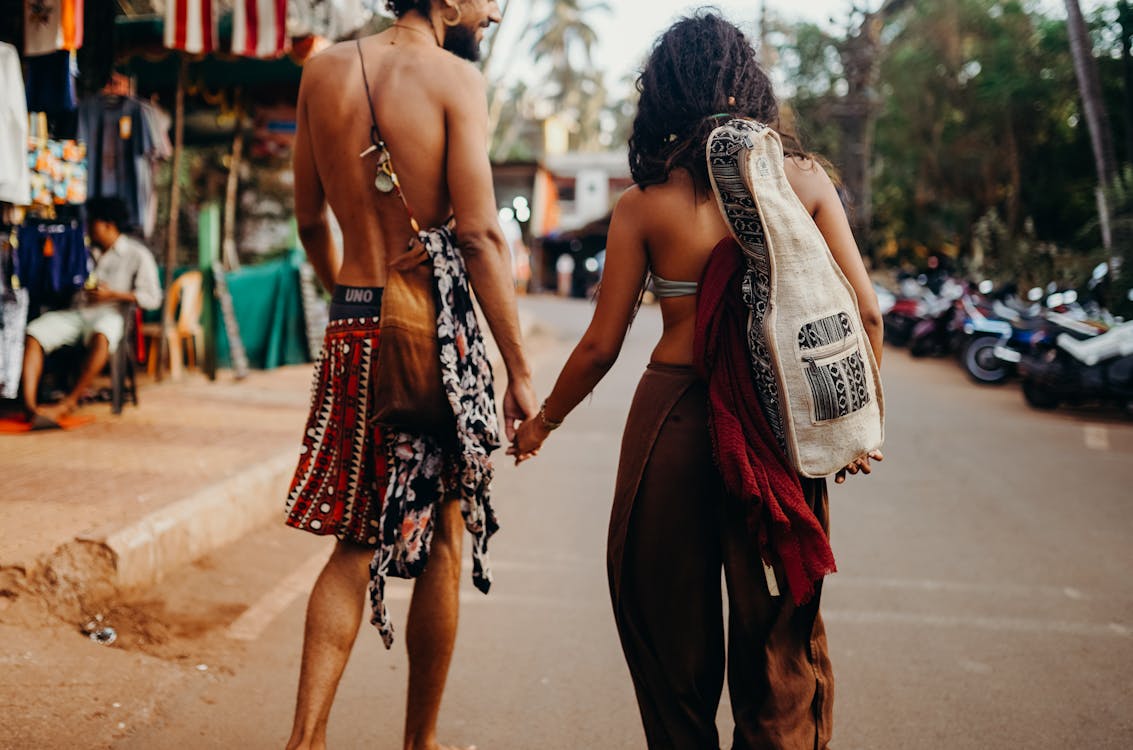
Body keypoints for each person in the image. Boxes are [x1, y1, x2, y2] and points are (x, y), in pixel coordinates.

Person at [511, 12, 884, 750]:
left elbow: (598, 346)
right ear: (749, 85)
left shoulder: (643, 204)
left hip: (671, 428)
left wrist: (541, 422)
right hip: (777, 436)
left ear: (664, 95)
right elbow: (864, 314)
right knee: (779, 641)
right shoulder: (802, 181)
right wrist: (852, 429)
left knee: (665, 633)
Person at [282, 1, 537, 749]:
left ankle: (305, 740)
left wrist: (350, 302)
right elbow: (481, 233)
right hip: (431, 331)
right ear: (446, 1)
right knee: (447, 538)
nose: (492, 12)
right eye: (487, 0)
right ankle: (418, 744)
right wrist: (518, 370)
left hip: (354, 318)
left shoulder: (321, 70)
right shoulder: (456, 80)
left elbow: (307, 218)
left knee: (352, 541)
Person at [21, 196, 161, 423]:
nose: (88, 228)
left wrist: (113, 295)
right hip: (77, 313)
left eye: (92, 223)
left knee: (102, 335)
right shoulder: (82, 251)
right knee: (35, 331)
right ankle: (30, 406)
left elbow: (153, 298)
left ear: (108, 224)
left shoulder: (137, 255)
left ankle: (70, 402)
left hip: (111, 315)